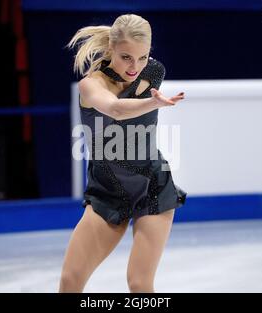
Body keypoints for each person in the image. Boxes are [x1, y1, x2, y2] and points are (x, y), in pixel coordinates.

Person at [59, 14, 187, 293]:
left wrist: (153, 101)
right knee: (70, 283)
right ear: (111, 49)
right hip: (108, 190)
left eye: (142, 58)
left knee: (140, 284)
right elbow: (115, 109)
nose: (135, 67)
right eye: (126, 57)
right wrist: (154, 104)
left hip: (152, 185)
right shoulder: (91, 85)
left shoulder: (154, 72)